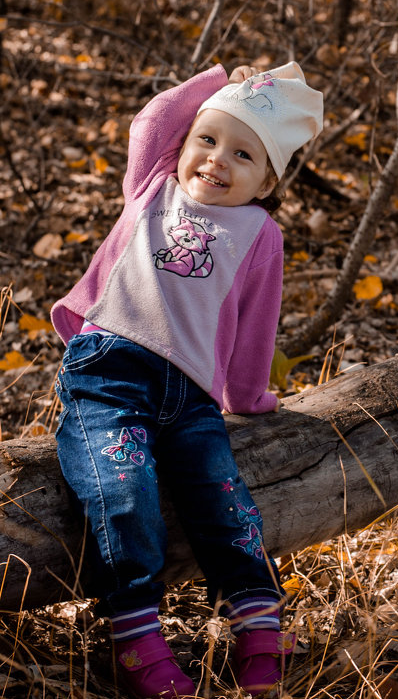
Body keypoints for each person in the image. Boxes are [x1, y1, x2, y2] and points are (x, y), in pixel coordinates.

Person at [49, 60, 323, 698]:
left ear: (268, 179)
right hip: (110, 373)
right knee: (123, 491)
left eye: (243, 154)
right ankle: (137, 638)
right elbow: (153, 120)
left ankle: (258, 628)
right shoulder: (152, 188)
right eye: (207, 139)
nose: (216, 160)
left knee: (227, 504)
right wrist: (221, 78)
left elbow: (259, 323)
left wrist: (247, 396)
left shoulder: (260, 233)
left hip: (193, 396)